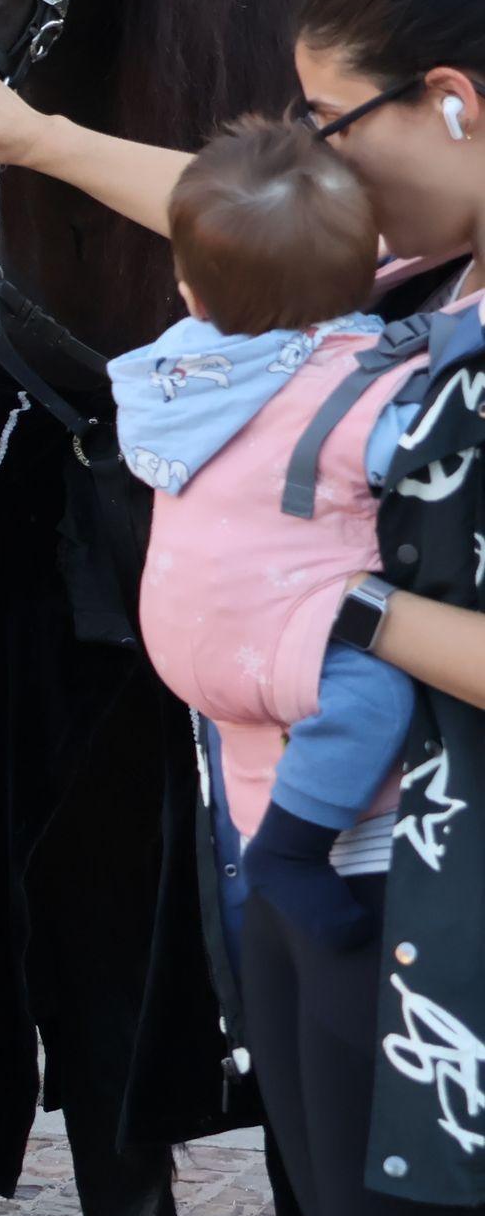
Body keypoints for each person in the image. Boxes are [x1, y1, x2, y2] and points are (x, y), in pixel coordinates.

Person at [0, 0, 485, 1216]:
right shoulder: (419, 265)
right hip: (341, 872)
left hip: (438, 899)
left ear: (451, 102)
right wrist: (33, 139)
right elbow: (240, 217)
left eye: (331, 120)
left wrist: (335, 612)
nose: (312, 158)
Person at [108, 121, 416, 956]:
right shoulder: (352, 380)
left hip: (189, 647)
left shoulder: (174, 376)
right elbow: (412, 456)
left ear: (191, 295)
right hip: (290, 645)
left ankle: (259, 836)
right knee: (381, 690)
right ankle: (293, 847)